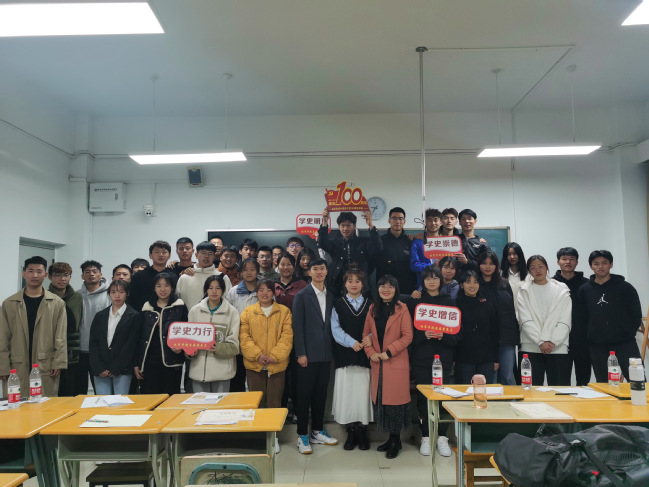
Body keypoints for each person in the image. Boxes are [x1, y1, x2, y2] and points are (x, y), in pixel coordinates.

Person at [408, 265, 458, 457]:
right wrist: (424, 335)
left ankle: (442, 437)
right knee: (423, 398)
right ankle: (426, 436)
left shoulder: (449, 302)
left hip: (443, 358)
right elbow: (408, 333)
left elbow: (457, 335)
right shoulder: (416, 302)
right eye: (428, 278)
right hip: (422, 358)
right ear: (423, 281)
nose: (431, 281)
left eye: (435, 278)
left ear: (440, 280)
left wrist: (443, 336)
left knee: (441, 396)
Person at [0, 256, 67, 397]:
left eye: (39, 271)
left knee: (44, 404)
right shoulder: (9, 303)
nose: (35, 275)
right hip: (16, 364)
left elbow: (60, 337)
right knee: (16, 404)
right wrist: (2, 366)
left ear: (46, 275)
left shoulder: (57, 303)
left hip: (46, 364)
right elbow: (2, 337)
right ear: (24, 274)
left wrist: (58, 362)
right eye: (31, 271)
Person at [362, 275, 413, 459]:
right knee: (382, 402)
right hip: (378, 363)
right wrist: (371, 353)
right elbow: (366, 334)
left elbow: (407, 336)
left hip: (395, 361)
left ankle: (396, 441)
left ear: (396, 289)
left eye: (390, 286)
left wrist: (389, 352)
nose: (386, 289)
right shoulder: (372, 309)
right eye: (382, 286)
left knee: (395, 405)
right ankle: (390, 439)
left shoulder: (402, 308)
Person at [240, 279, 293, 453]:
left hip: (276, 366)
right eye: (261, 290)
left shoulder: (284, 312)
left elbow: (287, 337)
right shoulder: (248, 312)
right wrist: (258, 355)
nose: (264, 293)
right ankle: (259, 436)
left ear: (274, 293)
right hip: (254, 365)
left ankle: (273, 437)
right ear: (257, 293)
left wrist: (274, 356)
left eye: (268, 290)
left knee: (274, 402)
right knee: (257, 401)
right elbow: (244, 337)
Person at [575, 250, 643, 383]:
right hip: (597, 345)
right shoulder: (584, 290)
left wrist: (627, 332)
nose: (600, 267)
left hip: (625, 343)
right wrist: (590, 336)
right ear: (591, 266)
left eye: (604, 263)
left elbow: (636, 314)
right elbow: (581, 318)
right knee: (604, 384)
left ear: (611, 264)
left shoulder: (625, 288)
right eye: (596, 264)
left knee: (637, 381)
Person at [292, 258, 338, 454]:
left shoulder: (332, 295)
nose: (319, 272)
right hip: (307, 356)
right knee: (304, 396)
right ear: (309, 272)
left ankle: (317, 431)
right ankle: (302, 435)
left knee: (321, 395)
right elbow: (297, 327)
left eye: (322, 268)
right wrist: (301, 353)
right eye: (315, 269)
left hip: (326, 355)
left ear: (327, 271)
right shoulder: (302, 296)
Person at [331, 267, 373, 451]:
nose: (354, 284)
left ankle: (363, 430)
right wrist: (351, 342)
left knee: (363, 392)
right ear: (345, 284)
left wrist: (369, 338)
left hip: (365, 353)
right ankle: (351, 431)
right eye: (350, 281)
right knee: (347, 393)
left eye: (358, 281)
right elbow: (335, 328)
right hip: (345, 353)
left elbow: (376, 326)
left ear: (363, 284)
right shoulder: (338, 303)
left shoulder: (371, 304)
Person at [517, 255, 572, 386]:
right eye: (533, 268)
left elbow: (565, 320)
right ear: (529, 271)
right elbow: (525, 319)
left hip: (557, 346)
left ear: (547, 268)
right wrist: (540, 341)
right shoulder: (524, 290)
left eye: (540, 266)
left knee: (559, 388)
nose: (537, 270)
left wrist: (552, 341)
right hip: (531, 346)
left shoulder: (561, 289)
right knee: (530, 389)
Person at [134, 272, 188, 395]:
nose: (162, 289)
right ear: (154, 288)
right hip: (149, 363)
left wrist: (182, 348)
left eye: (166, 285)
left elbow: (187, 331)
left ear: (172, 287)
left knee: (171, 399)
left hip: (172, 363)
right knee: (150, 399)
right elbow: (139, 337)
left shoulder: (179, 306)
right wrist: (137, 364)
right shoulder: (147, 307)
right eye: (159, 286)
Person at [187, 275, 240, 393]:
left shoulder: (232, 312)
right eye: (210, 288)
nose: (214, 291)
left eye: (218, 288)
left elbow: (235, 345)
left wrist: (218, 347)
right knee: (199, 404)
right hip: (198, 372)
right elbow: (188, 340)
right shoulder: (195, 311)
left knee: (220, 405)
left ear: (223, 290)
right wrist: (190, 351)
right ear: (206, 290)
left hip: (222, 372)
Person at [89, 280, 140, 395]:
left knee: (120, 402)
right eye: (113, 292)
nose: (117, 295)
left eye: (121, 292)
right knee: (102, 402)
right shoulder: (100, 315)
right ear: (109, 294)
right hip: (101, 368)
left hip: (123, 368)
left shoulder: (134, 316)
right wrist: (99, 368)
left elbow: (130, 345)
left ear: (127, 293)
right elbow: (93, 343)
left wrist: (115, 368)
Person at [476, 250, 519, 385]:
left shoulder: (504, 284)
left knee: (508, 376)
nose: (488, 267)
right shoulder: (475, 285)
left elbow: (511, 311)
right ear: (479, 265)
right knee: (490, 378)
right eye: (484, 263)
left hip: (506, 337)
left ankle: (512, 400)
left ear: (496, 265)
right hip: (486, 340)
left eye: (491, 263)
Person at [318, 208, 382, 297]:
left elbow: (378, 247)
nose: (345, 228)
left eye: (349, 225)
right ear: (339, 226)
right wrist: (325, 222)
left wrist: (370, 225)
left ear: (354, 225)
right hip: (338, 287)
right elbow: (322, 243)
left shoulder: (363, 242)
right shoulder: (335, 243)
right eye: (342, 225)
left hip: (361, 285)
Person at [274, 252, 308, 420]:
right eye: (282, 264)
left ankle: (296, 410)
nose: (285, 267)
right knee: (280, 374)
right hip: (276, 338)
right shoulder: (272, 285)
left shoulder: (302, 285)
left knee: (296, 375)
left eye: (289, 264)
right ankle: (281, 409)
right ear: (277, 266)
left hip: (297, 336)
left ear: (294, 266)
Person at [552, 247, 590, 386]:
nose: (568, 262)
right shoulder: (551, 284)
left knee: (584, 379)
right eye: (564, 259)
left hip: (583, 339)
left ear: (577, 262)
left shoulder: (587, 284)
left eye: (572, 259)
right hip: (559, 339)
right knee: (560, 381)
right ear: (558, 262)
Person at [454, 270, 499, 384]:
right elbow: (453, 334)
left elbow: (494, 332)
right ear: (462, 285)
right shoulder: (455, 305)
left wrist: (495, 358)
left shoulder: (487, 304)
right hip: (464, 358)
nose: (472, 285)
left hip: (486, 358)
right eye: (468, 282)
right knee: (465, 392)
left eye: (475, 282)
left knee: (485, 392)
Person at [48, 262, 83, 396]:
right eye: (57, 275)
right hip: (51, 349)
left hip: (73, 350)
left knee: (72, 390)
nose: (62, 279)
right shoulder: (45, 296)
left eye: (66, 275)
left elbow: (79, 323)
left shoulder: (77, 297)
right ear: (50, 277)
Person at [225, 258, 260, 393]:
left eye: (252, 269)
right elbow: (227, 316)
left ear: (257, 271)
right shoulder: (233, 292)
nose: (249, 272)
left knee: (256, 383)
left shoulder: (263, 290)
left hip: (258, 344)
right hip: (238, 343)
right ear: (240, 272)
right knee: (237, 381)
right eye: (245, 269)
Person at [77, 260, 111, 394]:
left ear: (100, 274)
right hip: (81, 349)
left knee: (101, 390)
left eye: (94, 271)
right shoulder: (77, 295)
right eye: (87, 272)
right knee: (79, 389)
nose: (91, 274)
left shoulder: (110, 294)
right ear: (82, 276)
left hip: (101, 349)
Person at [177, 241, 232, 310]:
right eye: (203, 253)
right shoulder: (184, 278)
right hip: (189, 316)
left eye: (210, 254)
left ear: (214, 256)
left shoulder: (222, 278)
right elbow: (177, 302)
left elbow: (229, 302)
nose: (206, 256)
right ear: (196, 255)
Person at [376, 206, 417, 296]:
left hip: (407, 288)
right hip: (386, 288)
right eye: (394, 218)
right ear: (389, 221)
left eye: (400, 218)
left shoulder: (410, 241)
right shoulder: (381, 241)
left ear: (404, 221)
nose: (397, 221)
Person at [128, 240, 172, 312]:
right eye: (157, 252)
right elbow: (131, 300)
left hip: (168, 316)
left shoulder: (173, 275)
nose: (161, 255)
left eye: (164, 252)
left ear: (169, 256)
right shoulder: (139, 276)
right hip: (142, 316)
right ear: (150, 255)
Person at [410, 208, 443, 290]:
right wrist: (432, 266)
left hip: (443, 284)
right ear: (424, 222)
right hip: (424, 285)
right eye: (429, 220)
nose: (433, 223)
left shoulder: (447, 242)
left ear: (441, 222)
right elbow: (414, 265)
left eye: (436, 220)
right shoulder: (418, 242)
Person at [501, 242, 529, 311]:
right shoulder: (500, 274)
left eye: (514, 253)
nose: (512, 257)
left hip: (524, 312)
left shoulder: (529, 275)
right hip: (505, 312)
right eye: (509, 254)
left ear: (519, 254)